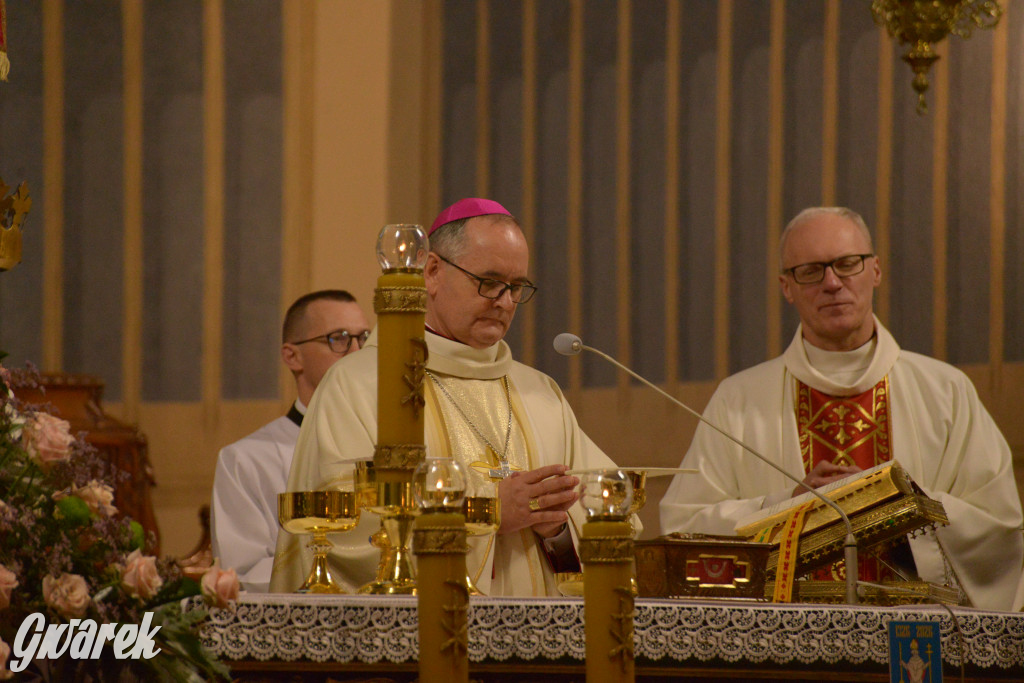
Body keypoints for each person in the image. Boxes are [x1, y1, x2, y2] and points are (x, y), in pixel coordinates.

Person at [660, 206, 1024, 611]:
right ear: (786, 287)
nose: (832, 283)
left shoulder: (946, 391)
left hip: (915, 639)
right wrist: (786, 505)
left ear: (876, 271)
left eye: (847, 264)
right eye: (811, 271)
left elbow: (1000, 530)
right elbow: (684, 530)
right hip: (787, 640)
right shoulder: (738, 400)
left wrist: (898, 505)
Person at [270, 198, 632, 596]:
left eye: (517, 287)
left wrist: (558, 528)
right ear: (432, 272)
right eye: (489, 282)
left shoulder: (540, 395)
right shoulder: (359, 385)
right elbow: (339, 534)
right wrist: (488, 513)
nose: (505, 302)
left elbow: (613, 521)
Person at [210, 290, 371, 592]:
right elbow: (244, 570)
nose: (356, 352)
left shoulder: (383, 450)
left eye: (364, 338)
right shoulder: (245, 460)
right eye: (339, 339)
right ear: (292, 356)